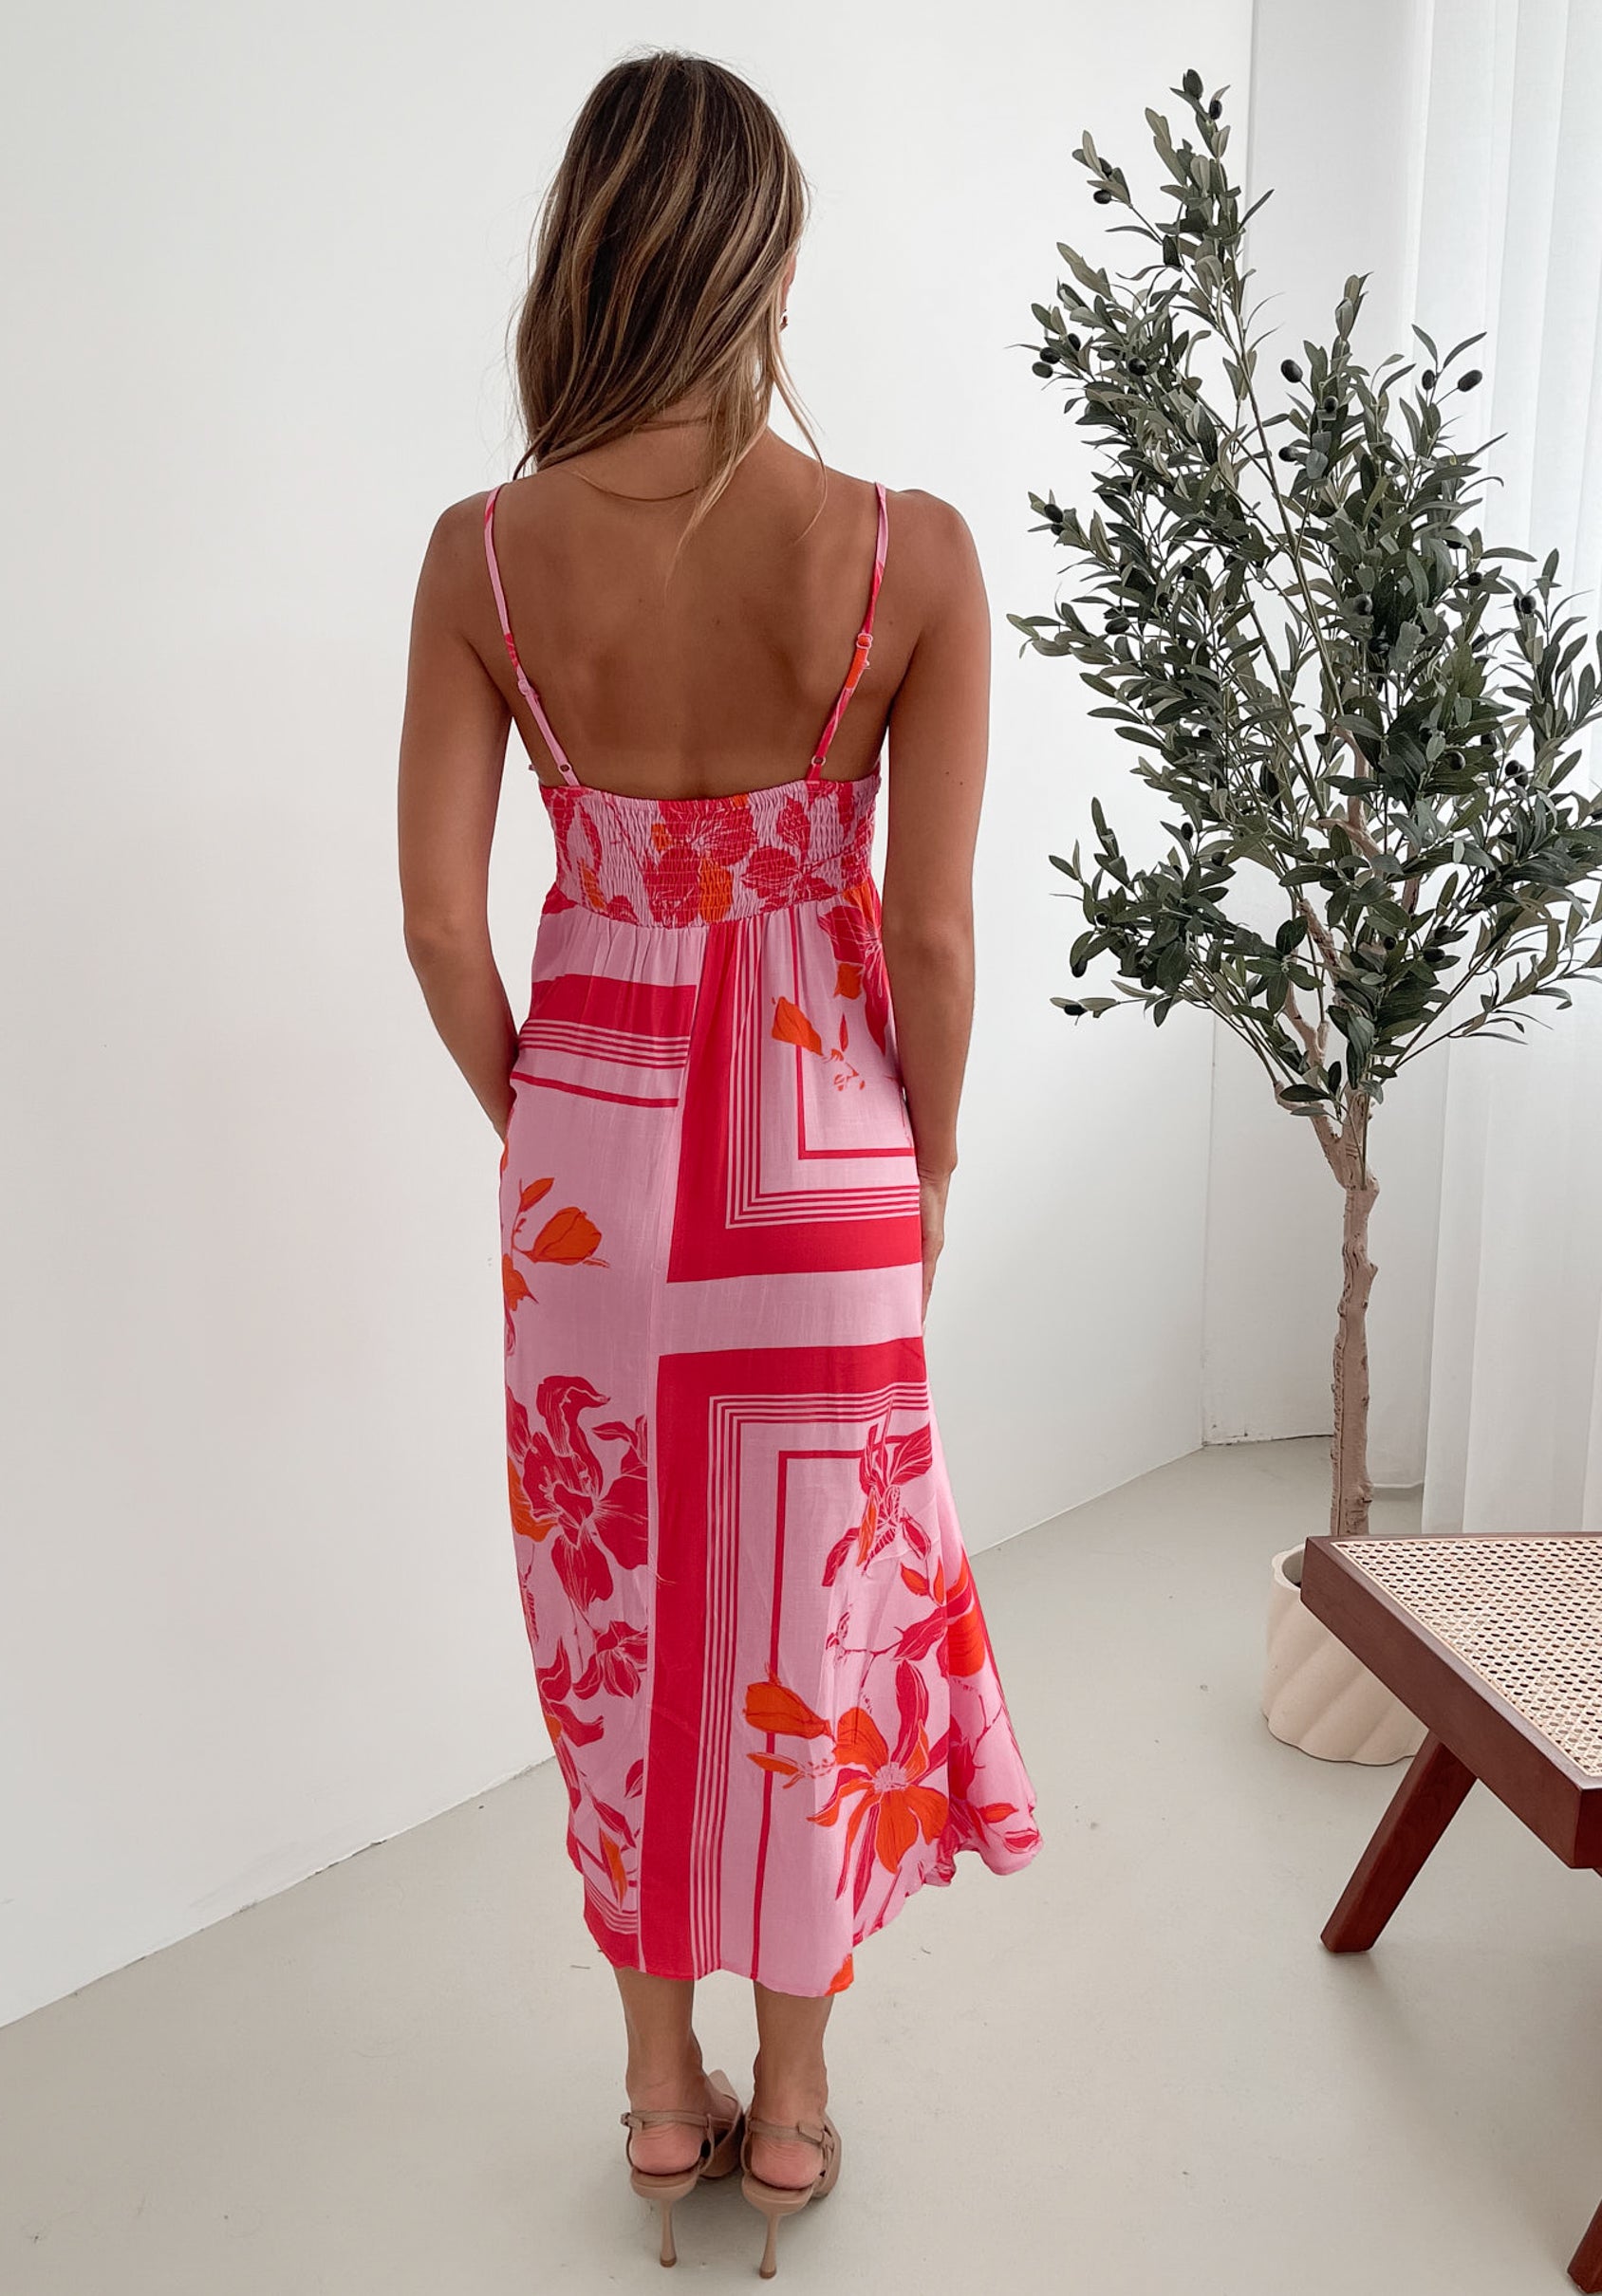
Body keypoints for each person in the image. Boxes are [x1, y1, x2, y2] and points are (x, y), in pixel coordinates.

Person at [398, 48, 1041, 2277]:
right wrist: (925, 1159)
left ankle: (651, 2091)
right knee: (798, 1619)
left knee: (619, 1625)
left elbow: (429, 921)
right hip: (822, 1163)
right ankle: (790, 2101)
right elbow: (934, 931)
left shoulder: (482, 556)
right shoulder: (904, 555)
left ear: (584, 248)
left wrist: (558, 1135)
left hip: (588, 1164)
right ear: (763, 254)